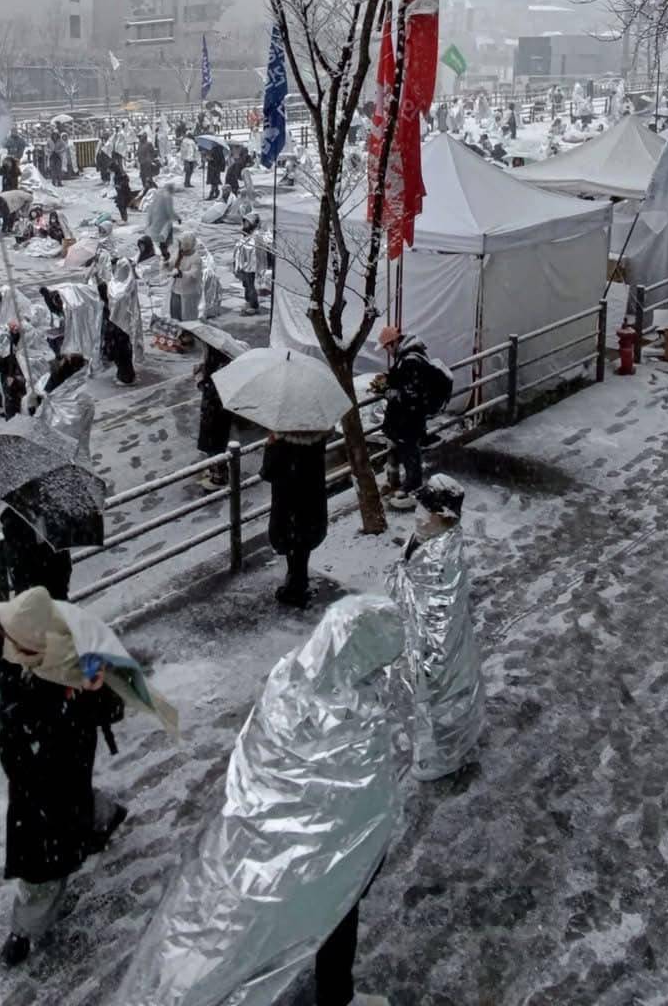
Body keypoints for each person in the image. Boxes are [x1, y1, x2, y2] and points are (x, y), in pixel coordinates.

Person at [114, 595, 410, 1006]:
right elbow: (361, 797)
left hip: (250, 844)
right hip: (324, 857)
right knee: (332, 916)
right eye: (380, 661)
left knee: (239, 930)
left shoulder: (287, 676)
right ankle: (334, 996)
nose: (383, 671)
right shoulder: (355, 714)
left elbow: (260, 757)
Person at [0, 588, 136, 967]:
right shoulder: (26, 656)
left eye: (9, 639)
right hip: (39, 776)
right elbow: (5, 662)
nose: (4, 645)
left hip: (48, 779)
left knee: (41, 863)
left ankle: (25, 928)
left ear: (30, 647)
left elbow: (108, 709)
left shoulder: (75, 671)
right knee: (73, 811)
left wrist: (92, 694)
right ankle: (102, 816)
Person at [388, 473, 484, 780]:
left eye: (424, 511)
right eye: (418, 508)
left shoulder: (442, 560)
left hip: (433, 645)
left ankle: (444, 757)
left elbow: (440, 615)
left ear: (441, 517)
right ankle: (427, 738)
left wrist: (428, 656)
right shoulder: (425, 539)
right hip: (414, 633)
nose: (417, 515)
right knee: (417, 692)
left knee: (438, 695)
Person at [377, 327, 450, 512]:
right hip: (406, 418)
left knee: (410, 453)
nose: (387, 351)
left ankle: (411, 488)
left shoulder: (410, 361)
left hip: (407, 419)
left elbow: (411, 393)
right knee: (403, 449)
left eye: (387, 347)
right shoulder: (411, 356)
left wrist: (391, 392)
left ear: (394, 343)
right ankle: (398, 481)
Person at [263, 429, 328, 608]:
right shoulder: (318, 437)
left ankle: (295, 589)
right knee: (302, 542)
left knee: (292, 541)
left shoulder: (282, 443)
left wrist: (270, 445)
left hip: (288, 500)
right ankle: (299, 581)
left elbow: (267, 472)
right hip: (311, 499)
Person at [194, 342, 235, 489]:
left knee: (215, 446)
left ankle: (219, 477)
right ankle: (215, 471)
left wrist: (202, 380)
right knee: (214, 445)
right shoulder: (216, 363)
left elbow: (211, 390)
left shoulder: (221, 369)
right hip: (213, 412)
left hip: (216, 413)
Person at [101, 258, 142, 386]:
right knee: (122, 353)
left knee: (122, 353)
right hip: (121, 325)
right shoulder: (121, 283)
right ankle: (125, 374)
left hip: (121, 326)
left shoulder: (122, 287)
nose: (113, 270)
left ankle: (126, 377)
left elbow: (114, 300)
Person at [169, 228, 203, 322]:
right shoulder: (179, 254)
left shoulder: (195, 258)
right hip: (176, 290)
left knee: (187, 317)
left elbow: (194, 274)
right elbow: (170, 263)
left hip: (189, 293)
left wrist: (182, 274)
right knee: (175, 315)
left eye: (181, 243)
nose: (179, 246)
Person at [142, 181, 178, 262]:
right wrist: (177, 218)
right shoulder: (168, 197)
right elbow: (170, 211)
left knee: (157, 238)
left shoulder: (157, 195)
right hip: (163, 222)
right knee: (164, 239)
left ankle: (158, 252)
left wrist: (149, 222)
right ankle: (164, 255)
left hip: (155, 221)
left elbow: (150, 209)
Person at [233, 217, 262, 315]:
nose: (244, 225)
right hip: (244, 265)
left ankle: (254, 305)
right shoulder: (245, 234)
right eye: (243, 222)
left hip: (250, 266)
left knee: (251, 286)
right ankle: (248, 302)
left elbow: (253, 250)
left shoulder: (255, 236)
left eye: (246, 223)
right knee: (246, 285)